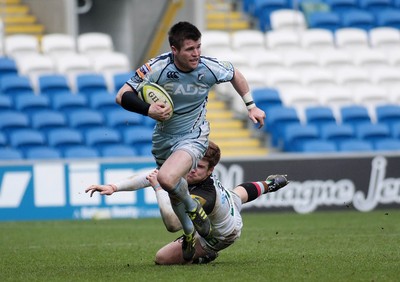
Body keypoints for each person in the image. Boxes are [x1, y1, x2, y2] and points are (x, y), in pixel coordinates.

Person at [113, 20, 266, 261]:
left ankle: (193, 210)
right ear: (174, 50)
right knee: (174, 191)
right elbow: (122, 96)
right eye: (189, 49)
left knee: (166, 178)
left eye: (198, 47)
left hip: (194, 136)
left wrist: (251, 105)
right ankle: (188, 232)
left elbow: (235, 73)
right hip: (164, 139)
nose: (196, 54)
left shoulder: (209, 67)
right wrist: (148, 110)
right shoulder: (157, 67)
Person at [85, 141, 289, 265]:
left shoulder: (204, 196)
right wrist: (114, 187)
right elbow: (152, 175)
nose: (191, 169)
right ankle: (270, 184)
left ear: (210, 171)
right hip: (227, 203)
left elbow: (173, 224)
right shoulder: (191, 169)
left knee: (162, 258)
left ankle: (204, 256)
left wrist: (158, 189)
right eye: (192, 163)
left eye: (199, 167)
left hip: (221, 234)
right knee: (237, 194)